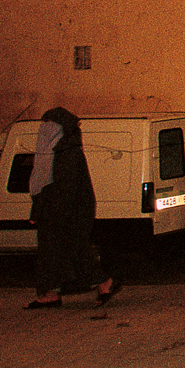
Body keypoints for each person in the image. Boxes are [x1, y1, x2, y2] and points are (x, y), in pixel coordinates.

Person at [27, 107, 117, 308]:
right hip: (53, 211)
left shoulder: (68, 153)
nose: (44, 129)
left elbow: (67, 188)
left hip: (68, 211)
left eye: (48, 125)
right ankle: (51, 293)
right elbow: (41, 184)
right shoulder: (49, 153)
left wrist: (56, 214)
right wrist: (38, 210)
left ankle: (104, 281)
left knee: (72, 248)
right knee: (51, 253)